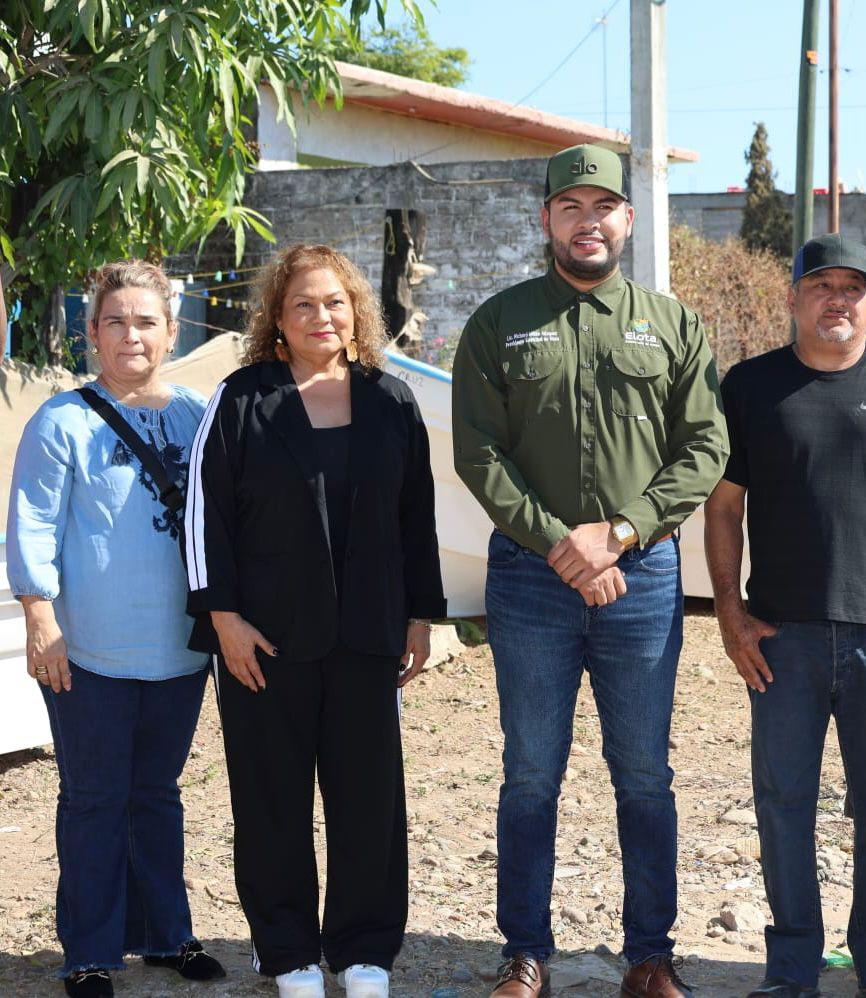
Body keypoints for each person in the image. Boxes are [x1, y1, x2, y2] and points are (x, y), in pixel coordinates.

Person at [451, 144, 728, 998]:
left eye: (604, 205)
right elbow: (479, 453)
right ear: (548, 220)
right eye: (571, 205)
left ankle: (650, 954)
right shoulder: (499, 323)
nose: (588, 220)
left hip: (639, 579)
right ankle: (525, 954)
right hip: (532, 580)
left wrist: (621, 532)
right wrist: (560, 544)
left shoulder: (672, 324)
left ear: (628, 220)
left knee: (644, 771)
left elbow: (705, 445)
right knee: (531, 769)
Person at [706, 233, 866, 998]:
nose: (838, 300)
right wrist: (730, 612)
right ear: (794, 298)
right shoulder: (750, 386)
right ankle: (791, 971)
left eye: (854, 288)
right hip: (779, 639)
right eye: (822, 286)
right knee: (784, 809)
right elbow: (723, 510)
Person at [185, 244, 446, 998]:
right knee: (270, 801)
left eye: (334, 302)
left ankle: (365, 954)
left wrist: (420, 616)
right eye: (303, 304)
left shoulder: (391, 401)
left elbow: (416, 518)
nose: (320, 316)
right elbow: (205, 522)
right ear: (277, 315)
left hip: (367, 635)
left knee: (369, 799)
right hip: (264, 641)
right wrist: (223, 617)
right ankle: (290, 955)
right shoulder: (240, 399)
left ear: (355, 309)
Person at [7, 261, 226, 998]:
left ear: (171, 330)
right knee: (95, 798)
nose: (132, 334)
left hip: (180, 650)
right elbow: (32, 522)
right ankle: (90, 952)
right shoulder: (61, 421)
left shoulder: (200, 414)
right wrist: (39, 616)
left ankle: (167, 935)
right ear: (92, 331)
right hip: (88, 652)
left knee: (158, 794)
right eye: (116, 321)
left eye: (146, 321)